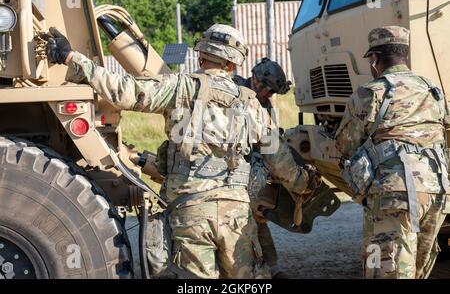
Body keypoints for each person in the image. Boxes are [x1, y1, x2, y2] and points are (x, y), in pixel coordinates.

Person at [43, 24, 320, 279]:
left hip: (189, 213)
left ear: (201, 57)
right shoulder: (252, 104)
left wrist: (71, 58)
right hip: (236, 215)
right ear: (233, 63)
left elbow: (126, 90)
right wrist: (303, 182)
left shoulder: (180, 87)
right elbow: (279, 158)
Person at [335, 26, 450, 279]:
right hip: (437, 190)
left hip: (395, 192)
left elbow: (345, 145)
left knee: (387, 270)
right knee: (417, 269)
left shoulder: (371, 92)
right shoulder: (433, 90)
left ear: (375, 58)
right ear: (405, 54)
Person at [233, 58, 291, 279]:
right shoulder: (233, 91)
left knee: (259, 218)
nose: (270, 95)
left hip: (251, 169)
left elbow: (269, 138)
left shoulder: (265, 103)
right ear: (256, 81)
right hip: (229, 169)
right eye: (268, 90)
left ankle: (272, 268)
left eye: (272, 92)